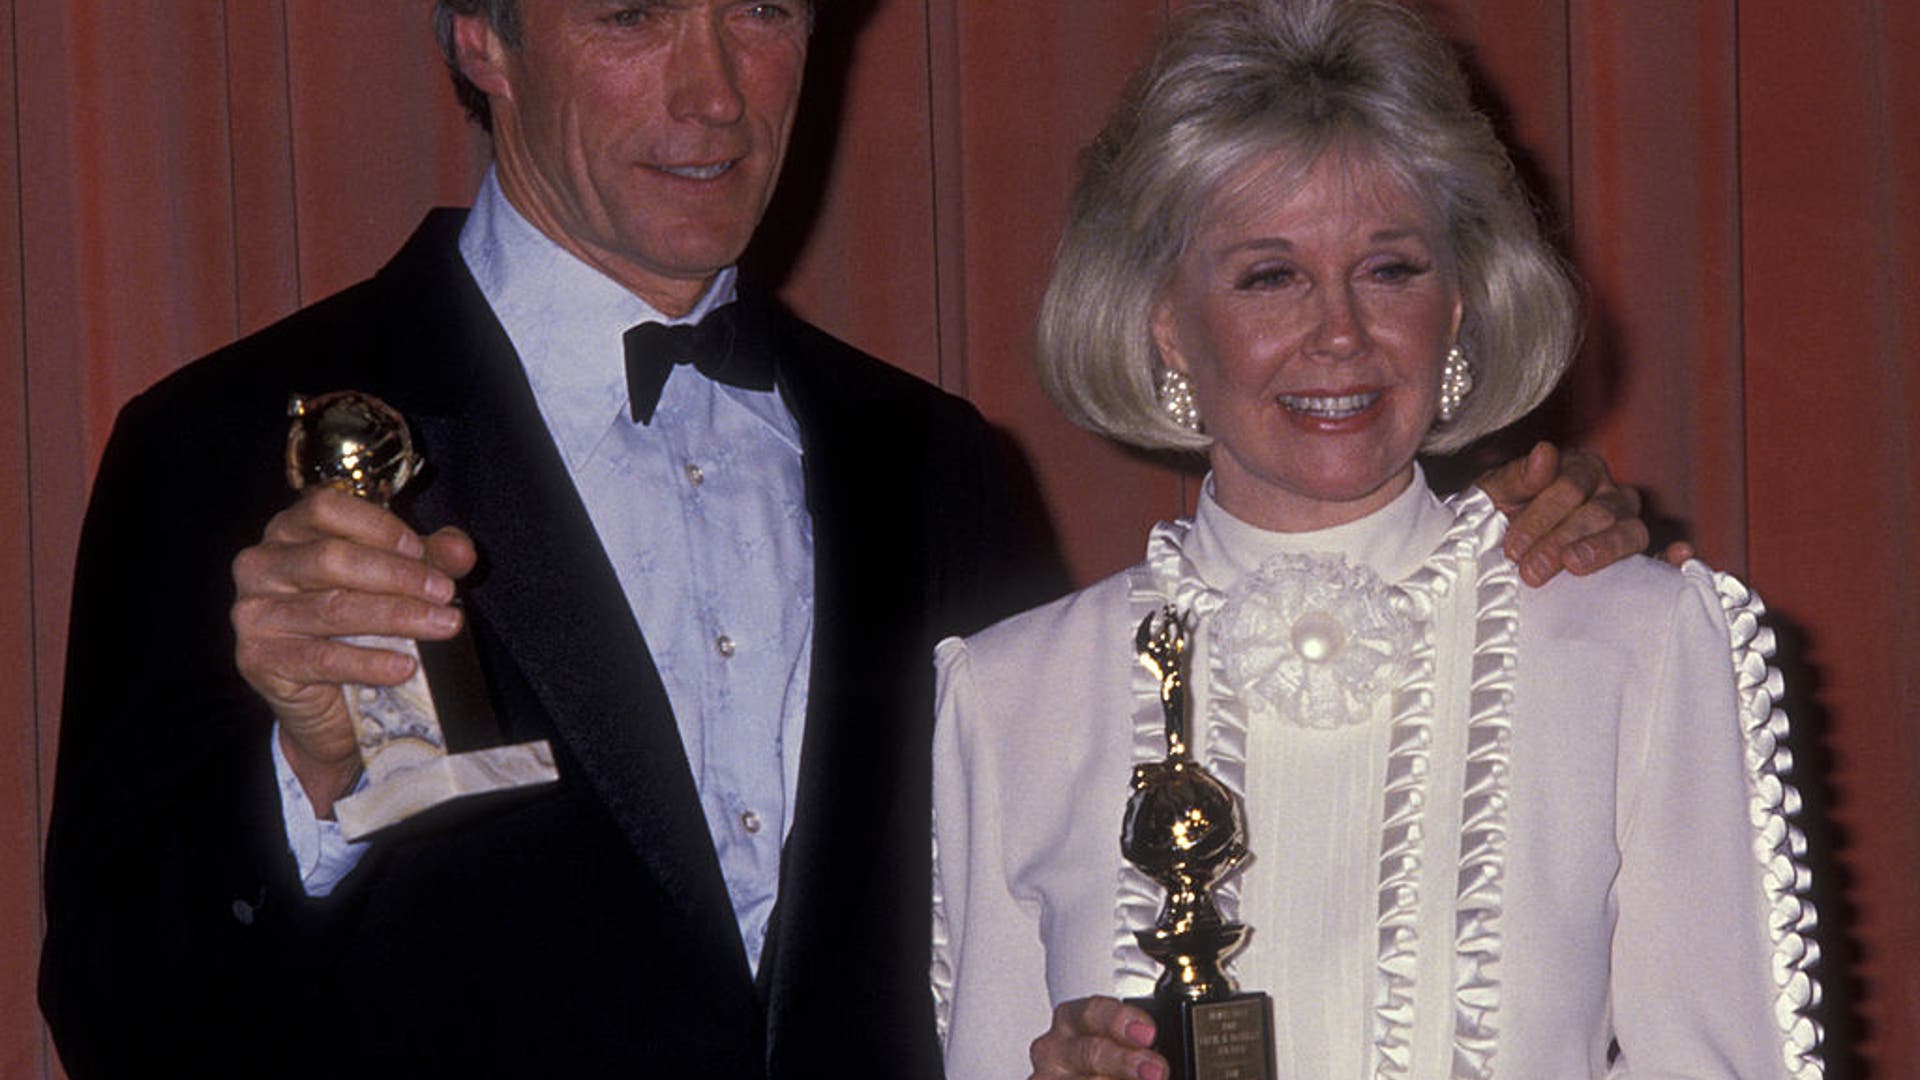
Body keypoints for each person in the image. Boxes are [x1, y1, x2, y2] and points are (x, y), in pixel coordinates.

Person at [39, 1, 1650, 1077]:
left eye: (762, 5)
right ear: (483, 33)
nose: (713, 91)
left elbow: (1096, 897)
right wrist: (307, 780)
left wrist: (1477, 559)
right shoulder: (229, 446)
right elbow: (116, 1010)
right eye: (628, 10)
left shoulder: (933, 463)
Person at [929, 2, 1824, 1078]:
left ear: (1457, 304)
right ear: (1165, 320)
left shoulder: (1638, 642)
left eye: (1391, 268)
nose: (1341, 333)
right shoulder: (1010, 694)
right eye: (1270, 276)